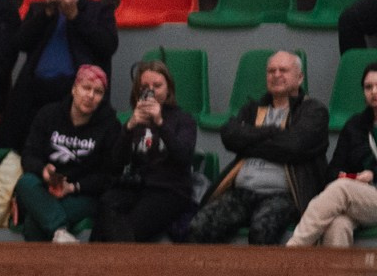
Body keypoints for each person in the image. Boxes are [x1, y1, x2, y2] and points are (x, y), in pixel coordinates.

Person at [187, 50, 328, 245]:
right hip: (242, 191)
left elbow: (295, 146)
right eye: (271, 71)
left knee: (262, 229)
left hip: (283, 196)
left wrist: (249, 141)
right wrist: (270, 132)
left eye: (283, 70)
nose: (276, 75)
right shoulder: (252, 109)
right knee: (199, 226)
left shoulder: (313, 110)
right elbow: (229, 136)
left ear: (300, 77)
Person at [0, 0, 117, 159]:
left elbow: (107, 46)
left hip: (72, 91)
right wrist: (48, 12)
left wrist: (75, 15)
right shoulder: (39, 9)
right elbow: (21, 42)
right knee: (14, 131)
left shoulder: (100, 10)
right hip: (35, 89)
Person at [92, 59, 199, 244]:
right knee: (106, 204)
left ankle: (117, 264)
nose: (151, 91)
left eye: (157, 86)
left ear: (168, 89)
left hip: (170, 190)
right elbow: (115, 164)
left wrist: (160, 124)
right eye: (145, 86)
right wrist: (129, 128)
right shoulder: (134, 119)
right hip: (139, 186)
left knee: (127, 227)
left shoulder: (183, 119)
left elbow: (183, 158)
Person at [12, 65, 121, 243]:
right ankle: (60, 232)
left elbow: (108, 175)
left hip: (81, 194)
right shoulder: (48, 114)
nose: (91, 96)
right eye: (86, 88)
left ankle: (51, 249)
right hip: (45, 187)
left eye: (98, 92)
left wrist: (73, 187)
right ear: (74, 88)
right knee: (25, 182)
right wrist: (44, 171)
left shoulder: (110, 126)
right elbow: (29, 155)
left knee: (34, 223)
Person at [287, 62, 377, 246]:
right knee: (337, 225)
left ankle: (293, 249)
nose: (374, 91)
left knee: (342, 188)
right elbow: (333, 171)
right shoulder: (355, 125)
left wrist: (373, 174)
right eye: (368, 87)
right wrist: (351, 177)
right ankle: (334, 275)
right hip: (360, 200)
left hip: (364, 194)